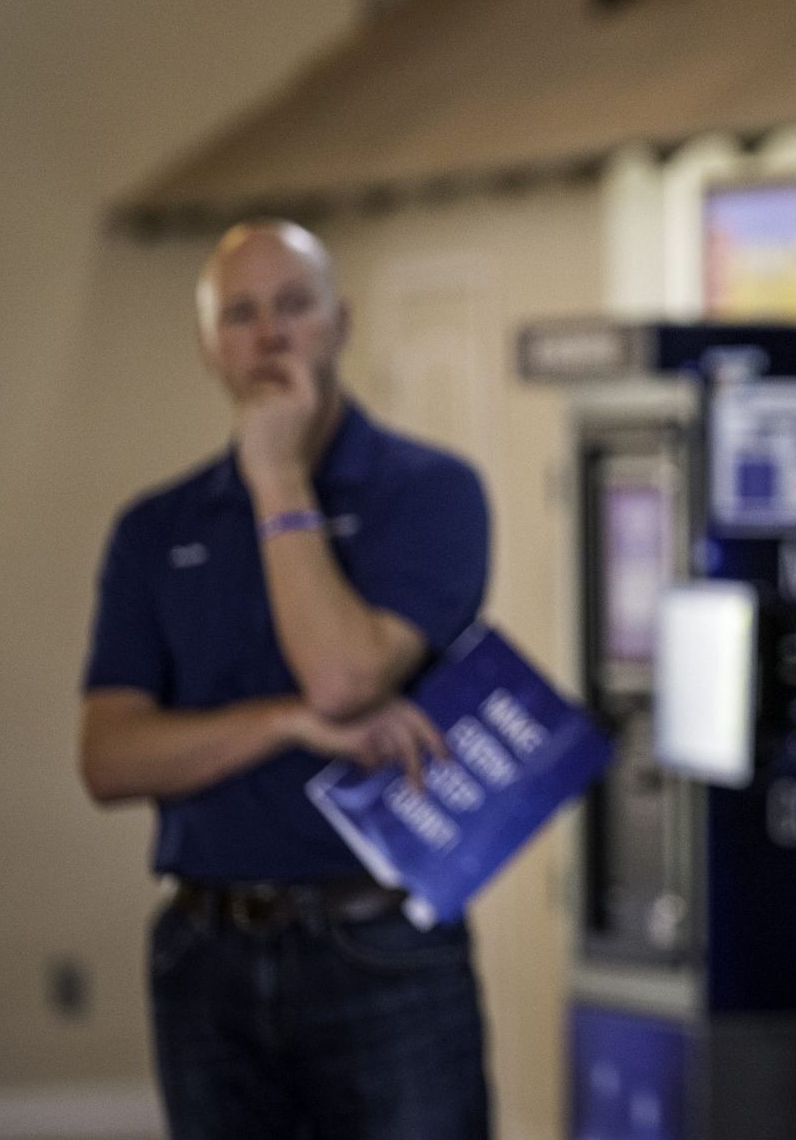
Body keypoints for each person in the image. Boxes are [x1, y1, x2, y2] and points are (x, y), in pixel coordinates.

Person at [80, 220, 492, 1139]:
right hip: (204, 948)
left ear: (341, 323)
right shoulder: (156, 528)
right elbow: (108, 760)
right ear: (207, 346)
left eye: (294, 307)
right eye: (241, 314)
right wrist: (283, 724)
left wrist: (275, 474)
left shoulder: (431, 493)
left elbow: (342, 680)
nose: (269, 336)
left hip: (382, 945)